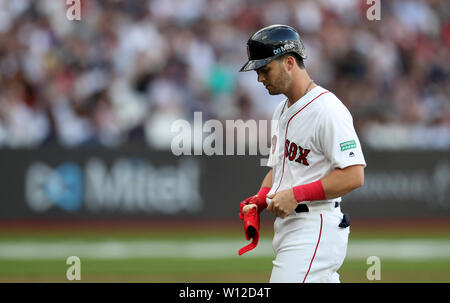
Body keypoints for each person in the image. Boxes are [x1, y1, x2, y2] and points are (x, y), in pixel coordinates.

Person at [238, 24, 366, 283]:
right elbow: (280, 169)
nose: (260, 79)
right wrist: (262, 199)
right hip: (292, 227)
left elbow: (353, 175)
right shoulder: (282, 109)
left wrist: (296, 194)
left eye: (265, 70)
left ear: (288, 62)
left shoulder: (327, 109)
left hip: (316, 225)